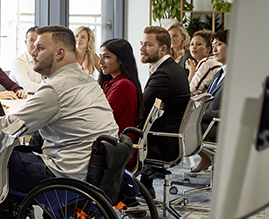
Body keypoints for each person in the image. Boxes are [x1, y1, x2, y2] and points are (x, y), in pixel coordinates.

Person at [0, 26, 118, 219]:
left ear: (59, 53)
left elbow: (9, 127)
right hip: (93, 169)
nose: (33, 53)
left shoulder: (55, 89)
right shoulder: (86, 80)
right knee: (18, 154)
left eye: (40, 48)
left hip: (66, 174)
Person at [138, 26, 191, 195]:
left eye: (148, 45)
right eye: (142, 44)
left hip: (162, 142)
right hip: (170, 137)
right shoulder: (173, 68)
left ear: (163, 49)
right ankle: (145, 186)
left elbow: (142, 108)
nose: (141, 49)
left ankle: (122, 194)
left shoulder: (164, 75)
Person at [192, 29, 229, 173]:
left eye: (218, 44)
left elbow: (229, 111)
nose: (214, 49)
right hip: (208, 123)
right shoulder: (220, 73)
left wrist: (201, 114)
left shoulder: (235, 75)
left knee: (174, 124)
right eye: (213, 45)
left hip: (217, 126)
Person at [98, 38, 144, 134]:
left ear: (121, 60)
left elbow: (102, 118)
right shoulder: (114, 83)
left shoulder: (123, 85)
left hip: (116, 144)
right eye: (100, 56)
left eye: (106, 57)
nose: (100, 62)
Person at [10, 26, 45, 94]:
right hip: (19, 100)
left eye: (37, 40)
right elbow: (28, 87)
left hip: (36, 96)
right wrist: (48, 87)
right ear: (26, 42)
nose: (35, 43)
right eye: (31, 40)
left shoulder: (42, 59)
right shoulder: (18, 62)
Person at [186, 30, 221, 95]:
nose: (194, 47)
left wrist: (192, 70)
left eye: (198, 44)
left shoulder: (207, 63)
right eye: (192, 44)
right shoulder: (212, 59)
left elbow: (190, 91)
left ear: (208, 49)